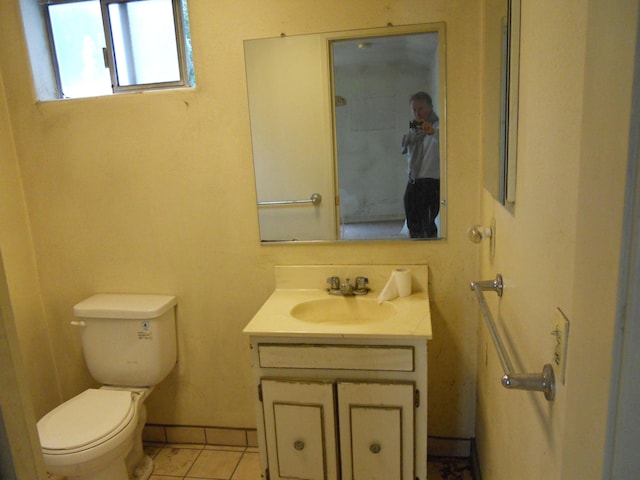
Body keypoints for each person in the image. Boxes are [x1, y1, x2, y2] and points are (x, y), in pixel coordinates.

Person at [401, 91, 440, 238]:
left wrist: (432, 131)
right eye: (414, 109)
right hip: (414, 179)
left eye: (421, 109)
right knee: (412, 220)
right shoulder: (415, 129)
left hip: (431, 183)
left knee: (427, 224)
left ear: (430, 107)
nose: (417, 113)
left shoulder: (438, 126)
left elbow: (446, 139)